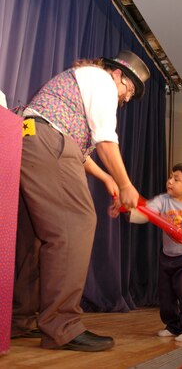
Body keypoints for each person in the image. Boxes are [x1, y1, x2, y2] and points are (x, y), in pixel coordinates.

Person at [11, 50, 150, 352]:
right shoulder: (101, 81)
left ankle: (20, 320)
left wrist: (107, 178)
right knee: (77, 224)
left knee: (37, 238)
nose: (126, 98)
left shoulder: (80, 82)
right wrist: (127, 185)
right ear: (118, 74)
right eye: (129, 90)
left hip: (30, 140)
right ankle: (62, 326)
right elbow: (105, 139)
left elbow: (79, 148)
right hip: (48, 143)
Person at [113, 162, 182, 343]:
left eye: (176, 179)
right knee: (166, 295)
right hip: (167, 256)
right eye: (170, 177)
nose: (170, 181)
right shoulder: (163, 200)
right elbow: (146, 213)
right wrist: (127, 209)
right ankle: (172, 326)